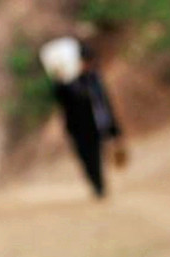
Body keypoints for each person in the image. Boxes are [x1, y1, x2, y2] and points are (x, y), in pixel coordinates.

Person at [52, 41, 125, 199]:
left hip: (94, 126)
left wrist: (114, 128)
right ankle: (96, 184)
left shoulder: (94, 79)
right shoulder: (68, 83)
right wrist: (60, 80)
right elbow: (61, 97)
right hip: (78, 130)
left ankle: (99, 185)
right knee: (86, 159)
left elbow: (104, 104)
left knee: (97, 155)